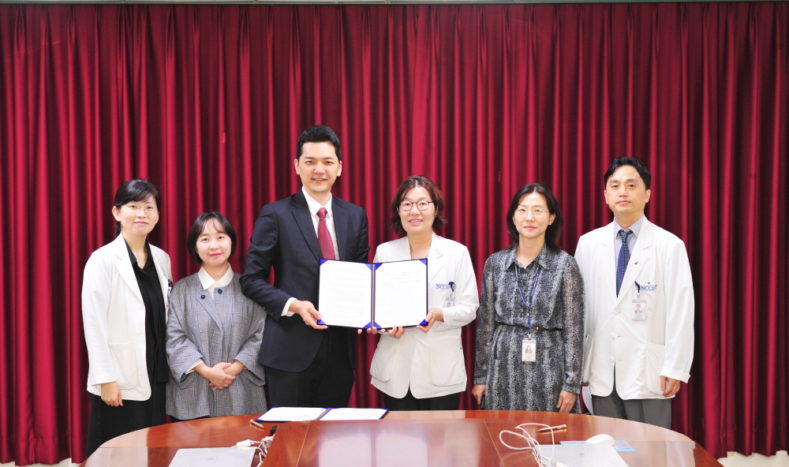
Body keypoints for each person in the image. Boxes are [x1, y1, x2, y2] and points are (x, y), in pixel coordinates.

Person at [240, 125, 369, 407]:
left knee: (332, 433)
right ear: (297, 166)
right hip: (290, 351)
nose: (319, 169)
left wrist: (369, 312)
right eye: (310, 161)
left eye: (327, 162)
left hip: (340, 353)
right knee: (290, 433)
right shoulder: (275, 214)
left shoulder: (355, 216)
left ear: (339, 168)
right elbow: (251, 280)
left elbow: (361, 276)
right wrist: (293, 305)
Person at [574, 157, 694, 429]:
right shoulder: (588, 244)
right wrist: (578, 368)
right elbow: (580, 311)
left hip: (649, 372)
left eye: (631, 185)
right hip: (601, 370)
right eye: (615, 186)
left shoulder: (669, 246)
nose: (623, 192)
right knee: (605, 445)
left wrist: (675, 367)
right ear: (605, 195)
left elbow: (681, 311)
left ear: (647, 194)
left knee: (649, 448)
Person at [369, 176, 479, 410]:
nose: (414, 211)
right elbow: (375, 308)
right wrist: (382, 327)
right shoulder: (385, 252)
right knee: (398, 433)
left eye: (422, 203)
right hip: (395, 370)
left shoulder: (456, 253)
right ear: (398, 210)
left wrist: (440, 314)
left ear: (435, 209)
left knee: (441, 434)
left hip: (440, 371)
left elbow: (469, 309)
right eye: (407, 204)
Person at [473, 183, 584, 412]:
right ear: (513, 217)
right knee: (503, 431)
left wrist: (571, 384)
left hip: (549, 369)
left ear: (551, 218)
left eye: (538, 210)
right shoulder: (495, 264)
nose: (529, 217)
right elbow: (485, 326)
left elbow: (575, 329)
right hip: (502, 368)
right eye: (522, 210)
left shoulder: (565, 265)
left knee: (548, 432)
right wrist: (480, 377)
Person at [82, 179, 172, 456]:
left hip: (156, 374)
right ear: (117, 212)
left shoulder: (161, 259)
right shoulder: (102, 260)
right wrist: (105, 378)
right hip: (119, 378)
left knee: (153, 450)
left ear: (157, 215)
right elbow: (93, 323)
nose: (142, 213)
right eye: (133, 206)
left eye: (149, 207)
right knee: (118, 454)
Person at [166, 212, 267, 420]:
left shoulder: (250, 288)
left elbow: (261, 334)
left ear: (231, 241)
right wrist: (206, 371)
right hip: (194, 395)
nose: (214, 245)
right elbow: (174, 338)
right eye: (205, 239)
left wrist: (235, 368)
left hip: (242, 391)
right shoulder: (181, 290)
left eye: (220, 237)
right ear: (195, 246)